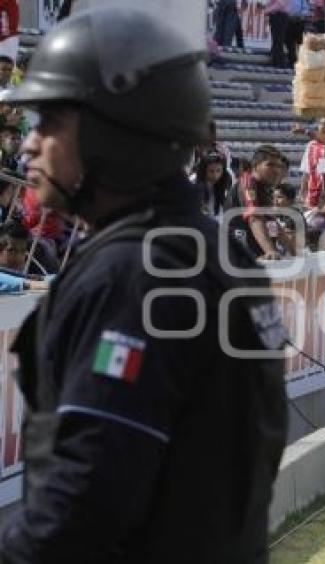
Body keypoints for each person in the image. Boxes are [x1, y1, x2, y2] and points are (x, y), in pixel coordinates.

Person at [0, 6, 287, 562]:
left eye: (51, 121)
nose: (30, 144)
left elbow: (87, 500)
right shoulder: (213, 251)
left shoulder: (134, 274)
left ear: (114, 133)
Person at [231, 144, 289, 260]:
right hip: (239, 257)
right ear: (256, 166)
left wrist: (295, 250)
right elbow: (254, 218)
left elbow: (272, 223)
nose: (276, 170)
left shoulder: (265, 187)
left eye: (278, 166)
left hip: (256, 255)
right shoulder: (248, 183)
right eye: (270, 165)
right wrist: (270, 251)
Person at [300, 117, 325, 209]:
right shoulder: (311, 145)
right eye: (322, 124)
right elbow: (306, 171)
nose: (324, 127)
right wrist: (302, 193)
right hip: (313, 192)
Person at [270, 184, 305, 256]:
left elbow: (290, 240)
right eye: (273, 197)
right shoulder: (277, 214)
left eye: (279, 197)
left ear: (290, 200)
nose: (275, 201)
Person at [193, 149, 231, 216]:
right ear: (204, 170)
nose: (215, 176)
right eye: (211, 171)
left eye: (218, 171)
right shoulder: (194, 181)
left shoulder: (226, 180)